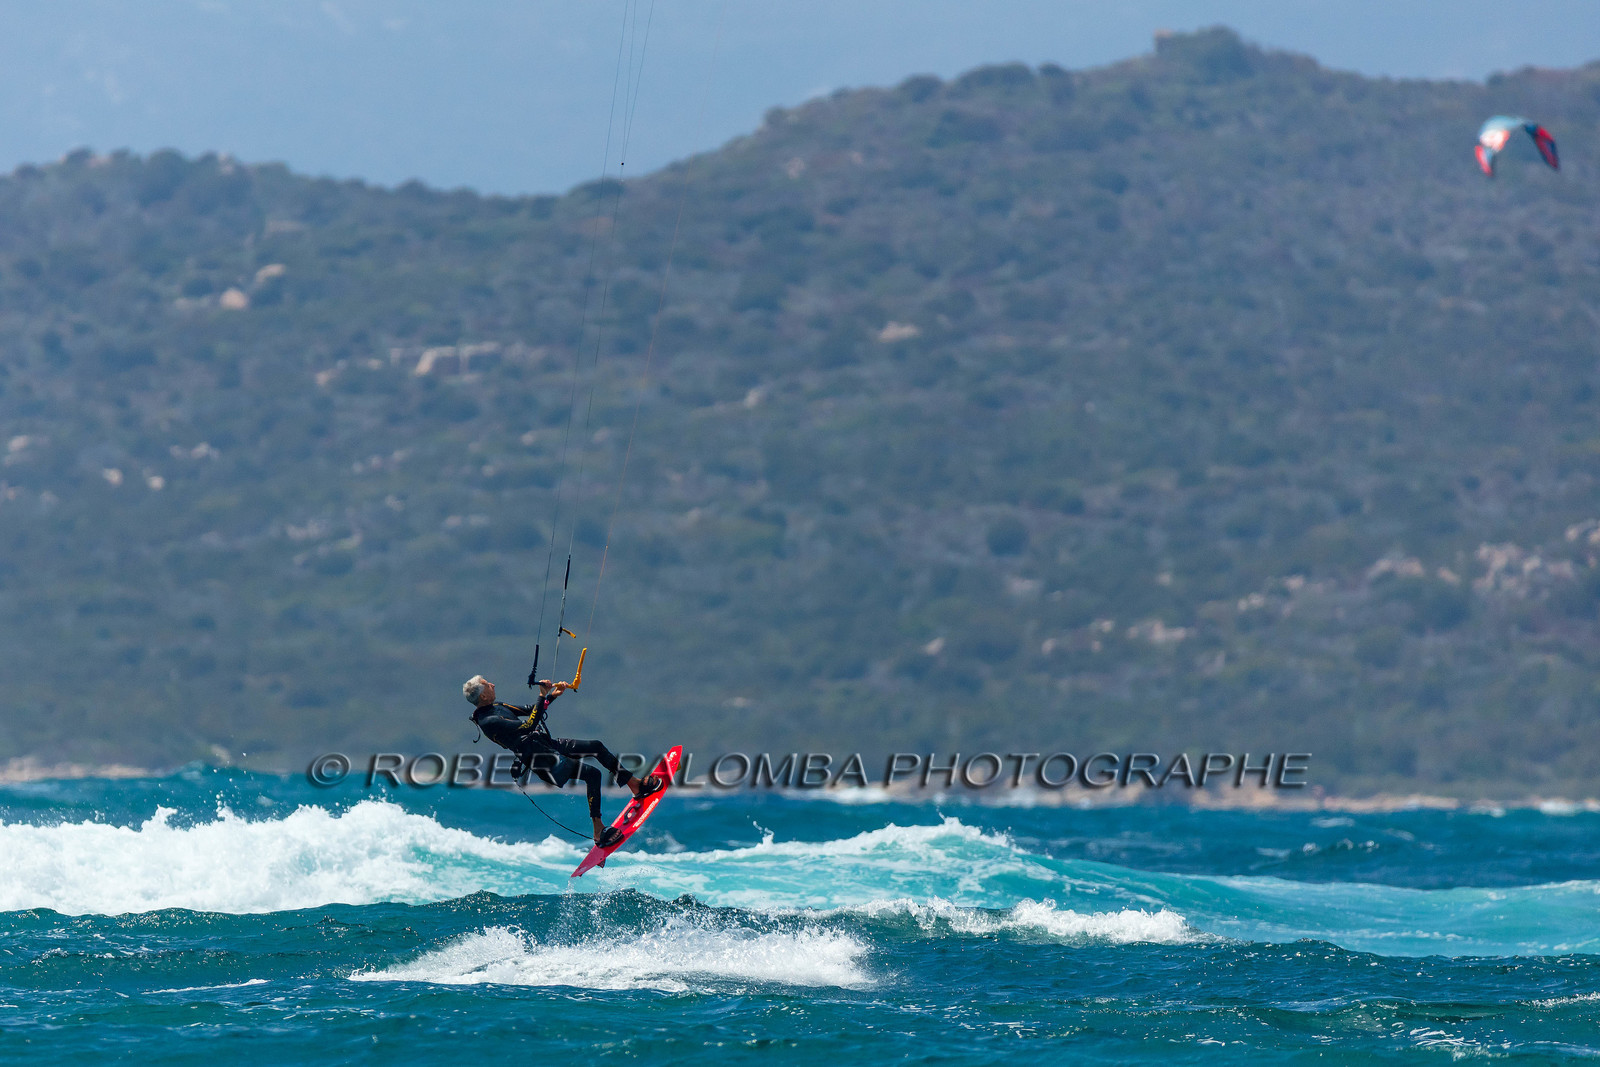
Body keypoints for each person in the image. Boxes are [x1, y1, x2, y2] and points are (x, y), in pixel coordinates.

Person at [463, 673, 662, 847]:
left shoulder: (497, 706)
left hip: (547, 744)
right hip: (542, 759)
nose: (493, 685)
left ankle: (634, 784)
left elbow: (531, 710)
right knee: (592, 775)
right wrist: (542, 695)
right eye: (488, 684)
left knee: (596, 746)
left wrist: (551, 696)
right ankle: (598, 831)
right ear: (483, 695)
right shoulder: (488, 722)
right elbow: (528, 726)